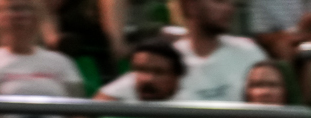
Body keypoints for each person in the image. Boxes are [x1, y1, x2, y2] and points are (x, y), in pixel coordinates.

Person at [96, 0, 263, 102]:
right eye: (218, 1)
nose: (229, 8)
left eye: (230, 2)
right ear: (191, 6)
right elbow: (104, 98)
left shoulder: (249, 51)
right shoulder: (165, 58)